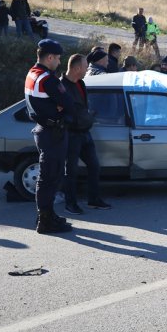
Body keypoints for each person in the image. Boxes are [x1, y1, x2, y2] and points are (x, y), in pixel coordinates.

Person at [24, 39, 73, 234]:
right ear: (50, 57)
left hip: (45, 129)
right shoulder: (48, 79)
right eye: (59, 58)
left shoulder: (32, 73)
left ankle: (47, 214)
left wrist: (58, 105)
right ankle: (44, 221)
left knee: (49, 176)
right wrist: (60, 107)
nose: (60, 62)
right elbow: (68, 103)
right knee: (49, 177)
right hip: (53, 132)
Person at [61, 54, 112, 215]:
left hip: (85, 133)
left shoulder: (81, 83)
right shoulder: (61, 87)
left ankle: (94, 200)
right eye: (84, 67)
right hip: (71, 134)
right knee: (71, 170)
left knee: (94, 166)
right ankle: (70, 203)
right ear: (76, 68)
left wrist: (88, 117)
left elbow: (83, 106)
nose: (87, 70)